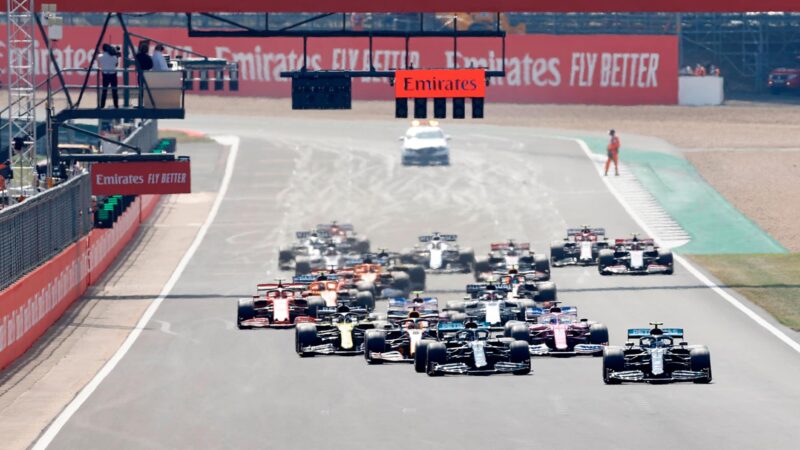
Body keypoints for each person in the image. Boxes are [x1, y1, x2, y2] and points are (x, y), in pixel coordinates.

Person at [98, 44, 119, 108]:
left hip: (105, 75)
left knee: (104, 91)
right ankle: (116, 105)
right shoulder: (114, 57)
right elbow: (116, 65)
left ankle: (102, 106)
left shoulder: (100, 56)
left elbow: (100, 63)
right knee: (114, 91)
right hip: (113, 75)